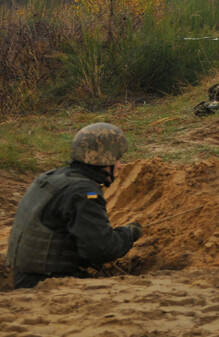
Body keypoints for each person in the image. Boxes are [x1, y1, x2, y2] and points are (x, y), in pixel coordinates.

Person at [6, 122, 143, 289]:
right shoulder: (83, 192)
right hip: (48, 283)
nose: (120, 165)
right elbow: (101, 249)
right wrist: (129, 234)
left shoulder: (53, 177)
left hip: (25, 275)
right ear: (104, 159)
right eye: (117, 159)